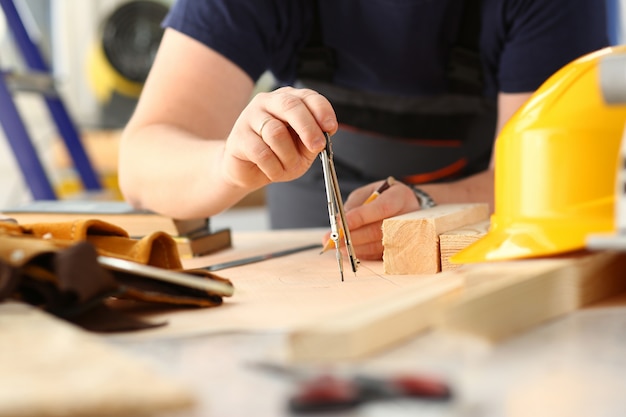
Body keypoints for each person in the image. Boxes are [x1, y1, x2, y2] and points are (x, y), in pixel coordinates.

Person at [118, 0, 609, 260]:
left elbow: (547, 185)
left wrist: (429, 206)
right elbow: (143, 162)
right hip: (310, 243)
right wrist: (228, 165)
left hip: (474, 242)